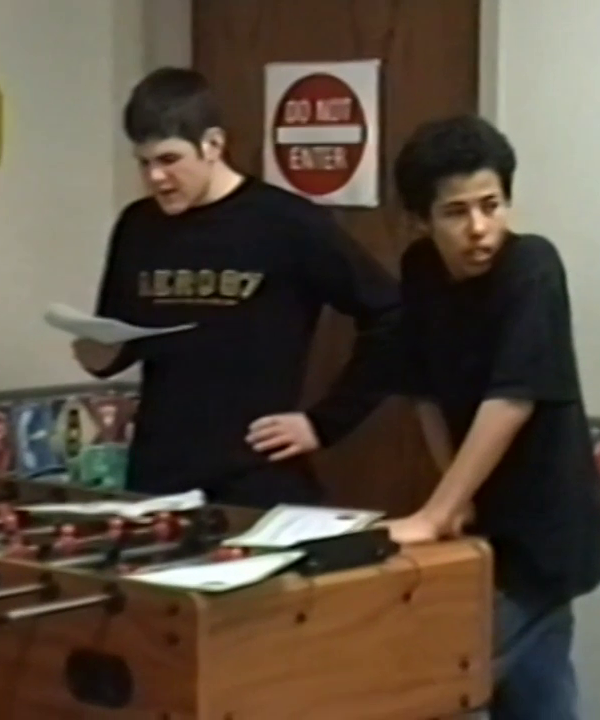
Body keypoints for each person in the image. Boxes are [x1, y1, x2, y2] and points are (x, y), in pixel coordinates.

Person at [71, 67, 400, 508]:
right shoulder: (138, 227)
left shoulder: (286, 223)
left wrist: (325, 423)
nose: (155, 178)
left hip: (256, 474)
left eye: (169, 160)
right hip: (159, 474)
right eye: (144, 163)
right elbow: (123, 337)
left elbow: (392, 315)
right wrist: (100, 356)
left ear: (212, 145)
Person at [383, 114, 600, 719]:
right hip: (486, 526)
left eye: (492, 205)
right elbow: (424, 393)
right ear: (421, 220)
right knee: (538, 689)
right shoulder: (420, 270)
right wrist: (455, 499)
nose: (479, 229)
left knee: (440, 679)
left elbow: (512, 400)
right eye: (455, 212)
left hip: (548, 526)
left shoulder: (532, 266)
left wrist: (437, 514)